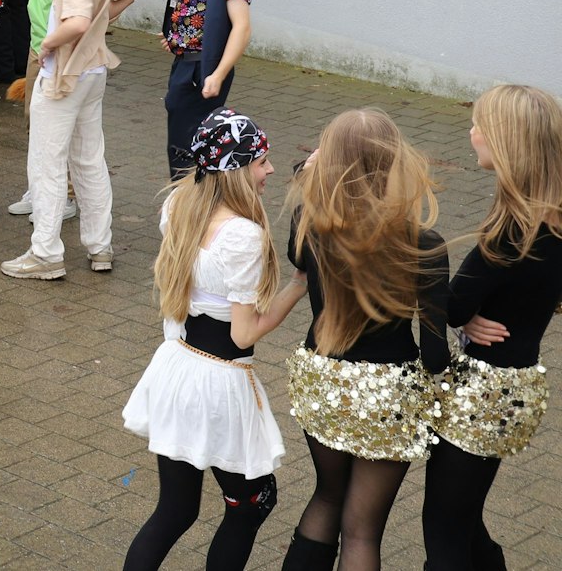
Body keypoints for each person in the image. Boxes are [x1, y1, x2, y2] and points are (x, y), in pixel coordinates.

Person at [120, 108, 305, 571]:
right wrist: (299, 285)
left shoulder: (179, 203)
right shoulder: (242, 235)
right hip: (218, 385)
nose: (271, 170)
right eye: (262, 161)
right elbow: (244, 332)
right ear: (237, 168)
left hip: (176, 367)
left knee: (175, 510)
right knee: (253, 503)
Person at [280, 109, 449, 571]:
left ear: (328, 160)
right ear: (396, 161)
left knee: (326, 498)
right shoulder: (425, 244)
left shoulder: (308, 224)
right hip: (389, 395)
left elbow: (296, 258)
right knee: (362, 531)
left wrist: (310, 176)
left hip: (325, 383)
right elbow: (435, 356)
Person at [420, 84, 562, 570]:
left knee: (443, 529)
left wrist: (455, 311)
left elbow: (453, 306)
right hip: (516, 389)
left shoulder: (510, 231)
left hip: (481, 395)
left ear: (507, 141)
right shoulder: (551, 220)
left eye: (481, 124)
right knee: (465, 520)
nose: (472, 131)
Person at [3, 0, 135, 282]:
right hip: (93, 72)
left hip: (66, 73)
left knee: (48, 162)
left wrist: (47, 43)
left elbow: (76, 21)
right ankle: (99, 246)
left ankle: (45, 253)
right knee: (89, 159)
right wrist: (98, 25)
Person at [163, 0, 251, 177]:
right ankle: (186, 211)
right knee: (182, 148)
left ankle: (190, 213)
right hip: (187, 66)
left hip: (203, 71)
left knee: (187, 153)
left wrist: (218, 73)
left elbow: (242, 26)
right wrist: (178, 38)